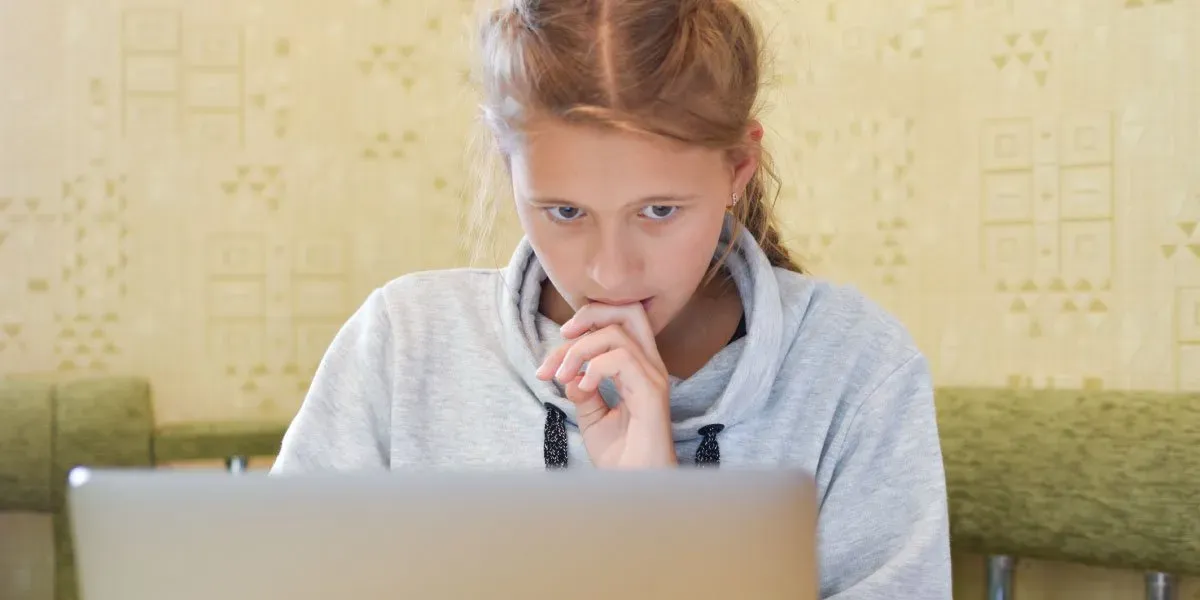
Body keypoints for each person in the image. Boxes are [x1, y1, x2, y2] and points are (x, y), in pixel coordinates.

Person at [271, 0, 952, 597]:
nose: (610, 271)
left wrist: (652, 521)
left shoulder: (857, 370)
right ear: (511, 172)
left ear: (737, 171)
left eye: (658, 210)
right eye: (564, 212)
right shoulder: (403, 343)